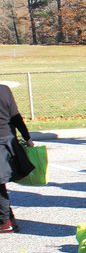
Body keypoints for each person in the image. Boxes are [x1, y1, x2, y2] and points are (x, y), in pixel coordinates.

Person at [0, 82, 35, 233]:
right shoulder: (4, 89)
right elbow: (16, 116)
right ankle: (9, 217)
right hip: (9, 139)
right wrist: (26, 136)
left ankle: (5, 221)